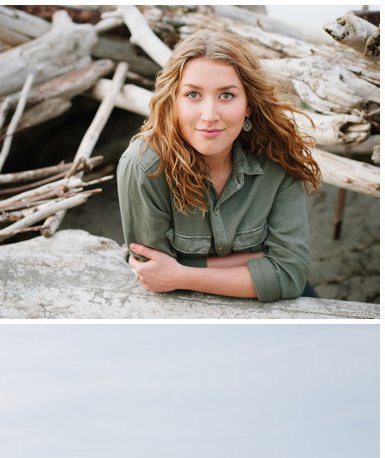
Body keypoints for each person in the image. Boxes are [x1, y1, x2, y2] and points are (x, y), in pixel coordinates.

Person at [117, 31, 322, 303]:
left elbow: (289, 274)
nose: (209, 115)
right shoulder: (144, 167)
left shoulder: (277, 156)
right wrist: (256, 260)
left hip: (277, 304)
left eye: (226, 95)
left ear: (248, 104)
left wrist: (181, 274)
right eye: (193, 94)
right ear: (174, 100)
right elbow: (152, 273)